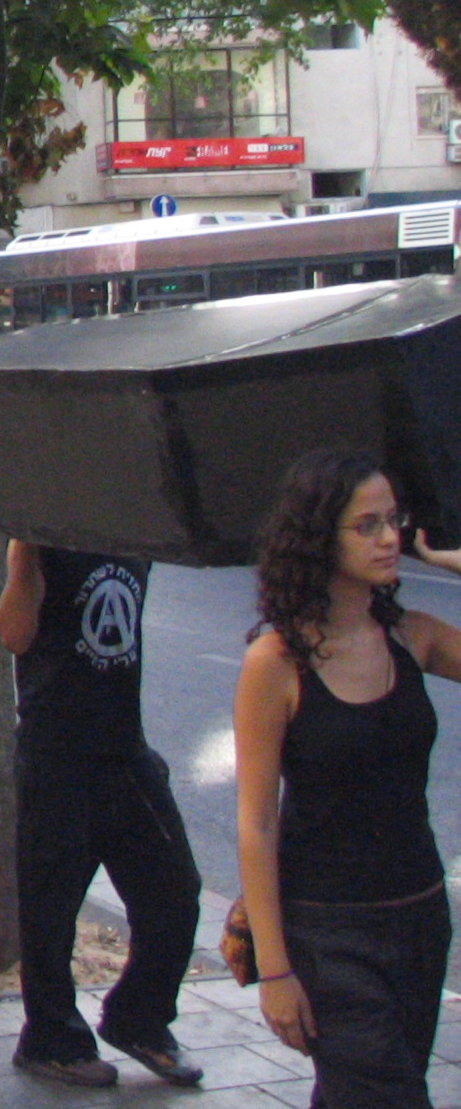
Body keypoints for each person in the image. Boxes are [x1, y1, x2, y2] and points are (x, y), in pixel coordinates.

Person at [234, 450, 461, 1107]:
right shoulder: (275, 662)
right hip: (328, 934)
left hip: (418, 920)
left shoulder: (411, 639)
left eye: (394, 521)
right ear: (318, 537)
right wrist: (275, 969)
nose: (390, 537)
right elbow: (255, 821)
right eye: (367, 525)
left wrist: (452, 560)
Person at [0, 541, 204, 1087]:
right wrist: (23, 565)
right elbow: (13, 635)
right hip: (53, 755)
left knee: (176, 890)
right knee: (49, 915)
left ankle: (140, 1019)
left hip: (124, 752)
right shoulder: (42, 540)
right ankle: (51, 1040)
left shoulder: (136, 540)